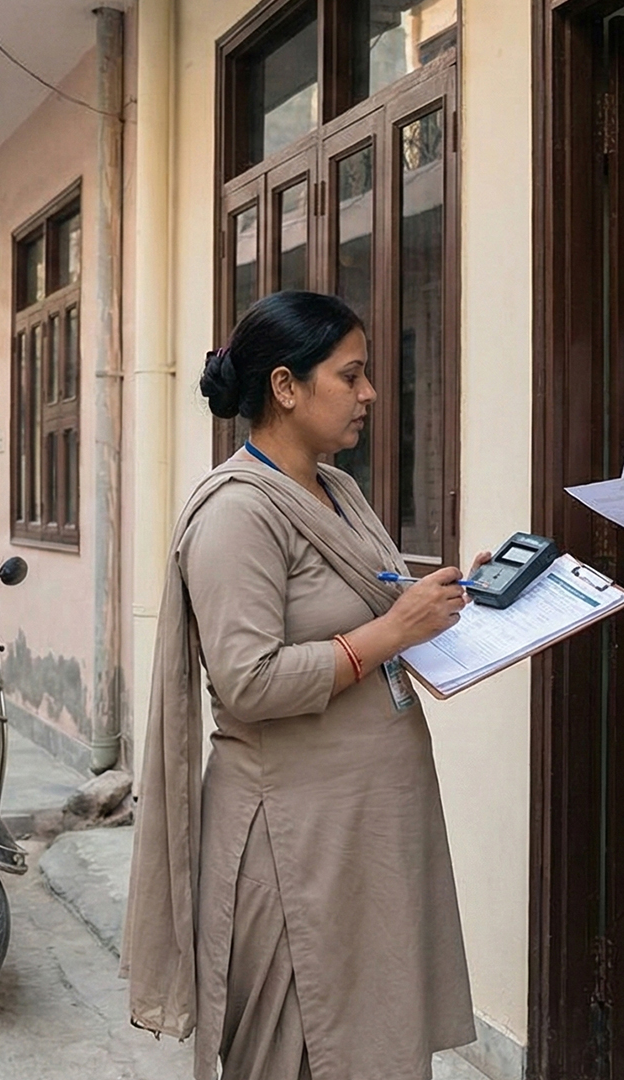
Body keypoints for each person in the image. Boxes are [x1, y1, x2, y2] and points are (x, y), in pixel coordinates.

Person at [125, 291, 484, 1080]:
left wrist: (457, 600)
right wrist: (392, 632)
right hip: (293, 834)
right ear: (286, 387)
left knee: (371, 1035)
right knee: (303, 1046)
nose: (369, 395)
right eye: (351, 375)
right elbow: (248, 681)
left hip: (364, 823)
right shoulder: (236, 514)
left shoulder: (337, 489)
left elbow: (376, 594)